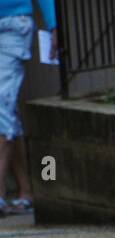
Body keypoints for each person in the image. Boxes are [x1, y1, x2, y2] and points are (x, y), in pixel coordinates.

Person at [0, 0, 56, 215]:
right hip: (14, 21)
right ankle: (26, 190)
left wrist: (53, 25)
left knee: (1, 107)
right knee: (7, 110)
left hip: (14, 23)